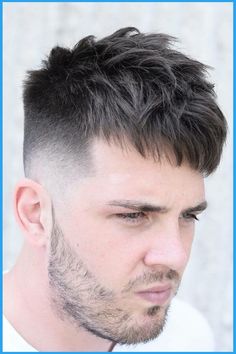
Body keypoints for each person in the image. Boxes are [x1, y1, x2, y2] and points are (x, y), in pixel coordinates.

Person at [3, 27, 227, 352]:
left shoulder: (188, 337)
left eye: (188, 215)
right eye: (134, 215)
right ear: (36, 215)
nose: (175, 256)